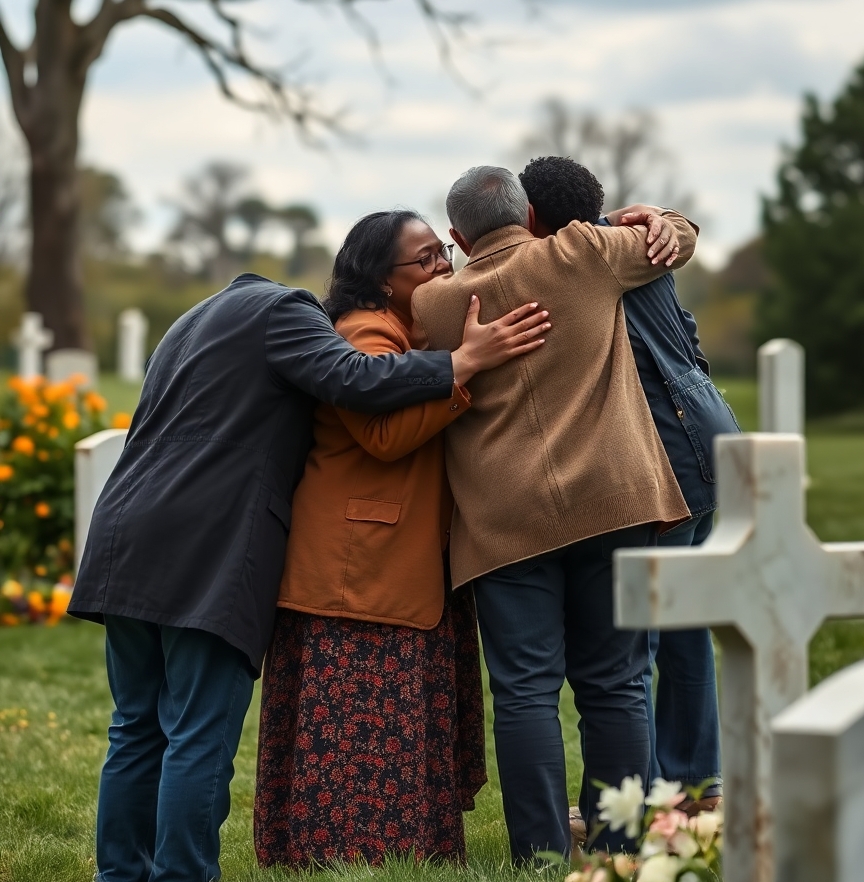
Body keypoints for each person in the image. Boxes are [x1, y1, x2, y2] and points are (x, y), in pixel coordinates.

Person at [68, 269, 549, 882]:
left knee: (134, 725)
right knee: (197, 731)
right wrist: (462, 360)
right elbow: (358, 378)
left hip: (126, 530)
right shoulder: (284, 310)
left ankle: (119, 875)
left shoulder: (191, 321)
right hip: (206, 543)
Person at [412, 165, 696, 862]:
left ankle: (539, 856)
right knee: (620, 682)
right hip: (613, 502)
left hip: (505, 525)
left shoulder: (436, 307)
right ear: (530, 212)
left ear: (457, 235)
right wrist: (660, 220)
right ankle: (622, 849)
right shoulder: (583, 253)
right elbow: (681, 240)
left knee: (525, 693)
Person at [254, 211, 543, 867]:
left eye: (443, 251)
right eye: (426, 259)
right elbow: (382, 438)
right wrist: (463, 371)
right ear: (382, 281)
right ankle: (349, 861)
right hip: (356, 578)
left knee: (400, 736)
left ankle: (412, 858)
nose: (444, 266)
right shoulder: (363, 333)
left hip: (400, 569)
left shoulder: (410, 333)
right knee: (362, 738)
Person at [519, 156, 741, 809]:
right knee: (682, 614)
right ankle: (694, 776)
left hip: (669, 454)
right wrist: (663, 219)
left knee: (643, 627)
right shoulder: (633, 242)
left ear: (532, 217)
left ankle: (655, 788)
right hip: (711, 433)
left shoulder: (582, 260)